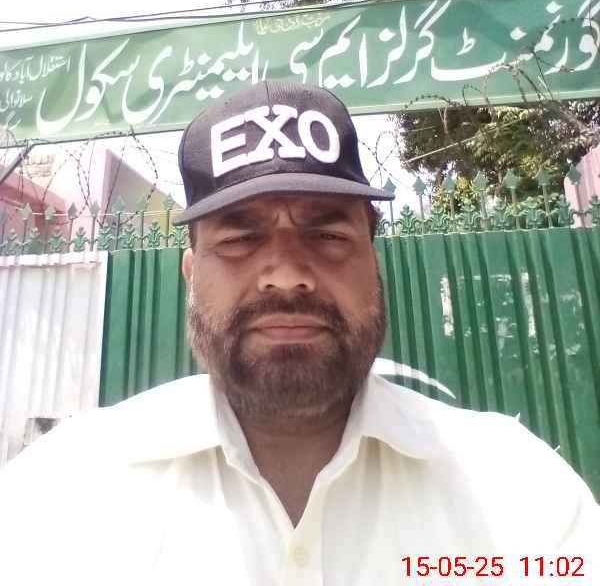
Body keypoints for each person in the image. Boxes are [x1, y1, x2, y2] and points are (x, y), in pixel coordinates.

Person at [0, 79, 598, 586]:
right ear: (190, 274)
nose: (286, 275)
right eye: (240, 237)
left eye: (327, 234)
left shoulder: (518, 492)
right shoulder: (58, 497)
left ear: (373, 264)